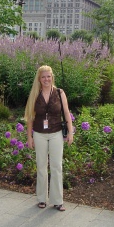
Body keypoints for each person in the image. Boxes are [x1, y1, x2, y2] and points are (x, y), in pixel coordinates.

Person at [24, 65, 73, 211]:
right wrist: (29, 137)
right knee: (41, 166)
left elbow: (66, 113)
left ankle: (58, 201)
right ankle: (41, 199)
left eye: (48, 76)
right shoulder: (34, 94)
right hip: (39, 134)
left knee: (57, 166)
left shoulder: (59, 93)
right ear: (39, 79)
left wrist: (70, 132)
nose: (46, 79)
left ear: (52, 77)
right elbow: (30, 118)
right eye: (43, 77)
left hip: (56, 133)